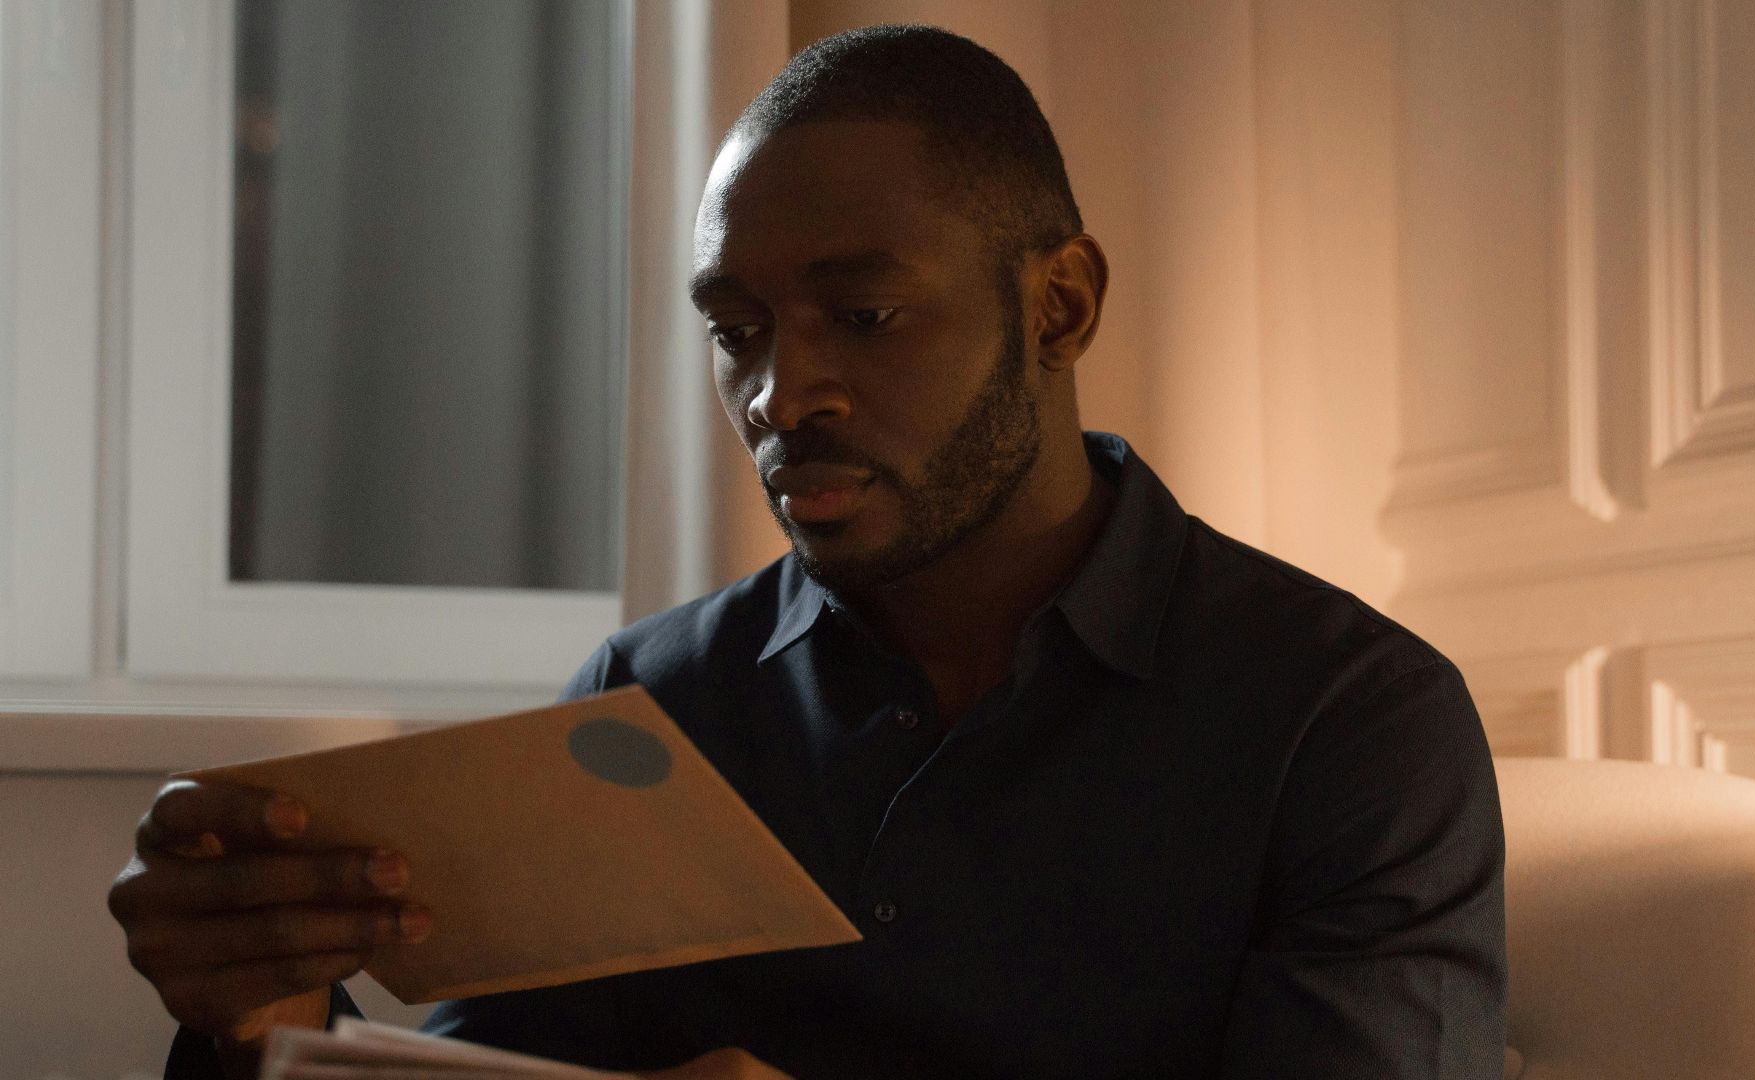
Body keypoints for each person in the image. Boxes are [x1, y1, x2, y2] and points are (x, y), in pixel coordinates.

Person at [110, 25, 1505, 1080]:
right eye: (738, 331)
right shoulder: (650, 700)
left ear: (1060, 307)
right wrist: (270, 1020)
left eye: (865, 316)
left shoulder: (1345, 720)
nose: (781, 395)